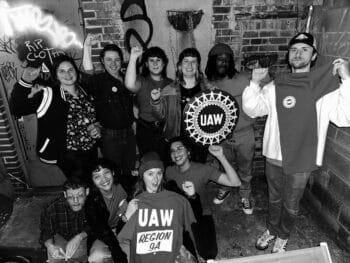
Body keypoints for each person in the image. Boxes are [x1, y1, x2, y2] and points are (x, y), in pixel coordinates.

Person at [242, 32, 350, 253]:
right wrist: (253, 84)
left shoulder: (326, 88)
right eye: (294, 49)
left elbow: (345, 116)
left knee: (291, 204)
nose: (298, 53)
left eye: (304, 49)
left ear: (313, 56)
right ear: (288, 54)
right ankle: (272, 229)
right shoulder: (275, 86)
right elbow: (253, 109)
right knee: (274, 199)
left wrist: (347, 79)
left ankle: (283, 235)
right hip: (274, 155)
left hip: (302, 158)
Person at [10, 55, 100, 180]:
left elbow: (93, 115)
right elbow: (17, 109)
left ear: (76, 71)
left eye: (70, 70)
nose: (67, 74)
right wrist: (25, 81)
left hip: (90, 148)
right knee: (81, 185)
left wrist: (95, 126)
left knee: (93, 182)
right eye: (61, 71)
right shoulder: (48, 94)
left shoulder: (84, 90)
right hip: (67, 153)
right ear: (56, 75)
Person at [165, 136, 241, 261]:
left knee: (209, 252)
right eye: (172, 151)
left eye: (179, 149)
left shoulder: (202, 170)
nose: (176, 153)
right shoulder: (169, 171)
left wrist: (221, 156)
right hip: (179, 216)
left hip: (201, 214)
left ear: (188, 152)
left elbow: (235, 182)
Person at [118, 151, 198, 263]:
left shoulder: (173, 193)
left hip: (174, 252)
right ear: (142, 175)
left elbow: (194, 220)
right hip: (145, 255)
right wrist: (126, 216)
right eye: (150, 174)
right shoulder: (134, 199)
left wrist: (192, 196)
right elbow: (119, 233)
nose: (155, 180)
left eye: (159, 173)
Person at [205, 43, 256, 214]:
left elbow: (266, 83)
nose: (223, 63)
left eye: (226, 60)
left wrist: (259, 72)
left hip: (244, 133)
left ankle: (245, 195)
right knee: (222, 165)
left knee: (245, 167)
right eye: (219, 60)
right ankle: (224, 188)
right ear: (212, 62)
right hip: (222, 135)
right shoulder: (209, 83)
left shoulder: (243, 78)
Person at [83, 34, 136, 189]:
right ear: (102, 61)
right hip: (110, 136)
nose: (113, 63)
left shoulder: (127, 79)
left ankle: (129, 196)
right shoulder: (99, 81)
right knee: (113, 172)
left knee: (129, 169)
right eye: (109, 60)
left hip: (129, 133)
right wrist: (87, 47)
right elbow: (87, 72)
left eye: (117, 59)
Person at [150, 48, 215, 163]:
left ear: (198, 65)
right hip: (177, 140)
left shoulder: (208, 89)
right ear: (180, 65)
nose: (189, 65)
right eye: (186, 61)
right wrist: (156, 101)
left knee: (197, 173)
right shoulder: (169, 90)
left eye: (193, 61)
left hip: (200, 141)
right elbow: (159, 117)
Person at [124, 46, 173, 161]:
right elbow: (129, 85)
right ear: (146, 64)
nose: (155, 63)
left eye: (158, 60)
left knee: (166, 161)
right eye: (151, 60)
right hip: (145, 129)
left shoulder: (171, 83)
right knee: (148, 162)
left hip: (165, 128)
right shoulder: (142, 80)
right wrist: (133, 58)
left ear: (164, 63)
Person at [85, 158, 138, 263]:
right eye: (97, 177)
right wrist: (116, 250)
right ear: (92, 181)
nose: (104, 179)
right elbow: (103, 231)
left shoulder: (125, 184)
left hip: (127, 228)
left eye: (106, 173)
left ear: (113, 172)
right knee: (96, 257)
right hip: (105, 234)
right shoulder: (92, 202)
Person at [39, 177, 90, 262]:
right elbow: (46, 232)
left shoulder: (94, 204)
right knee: (54, 258)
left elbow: (96, 226)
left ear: (87, 192)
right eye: (70, 197)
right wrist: (50, 246)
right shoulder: (52, 208)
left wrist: (79, 237)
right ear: (65, 194)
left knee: (77, 254)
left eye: (80, 195)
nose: (76, 201)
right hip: (61, 235)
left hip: (84, 235)